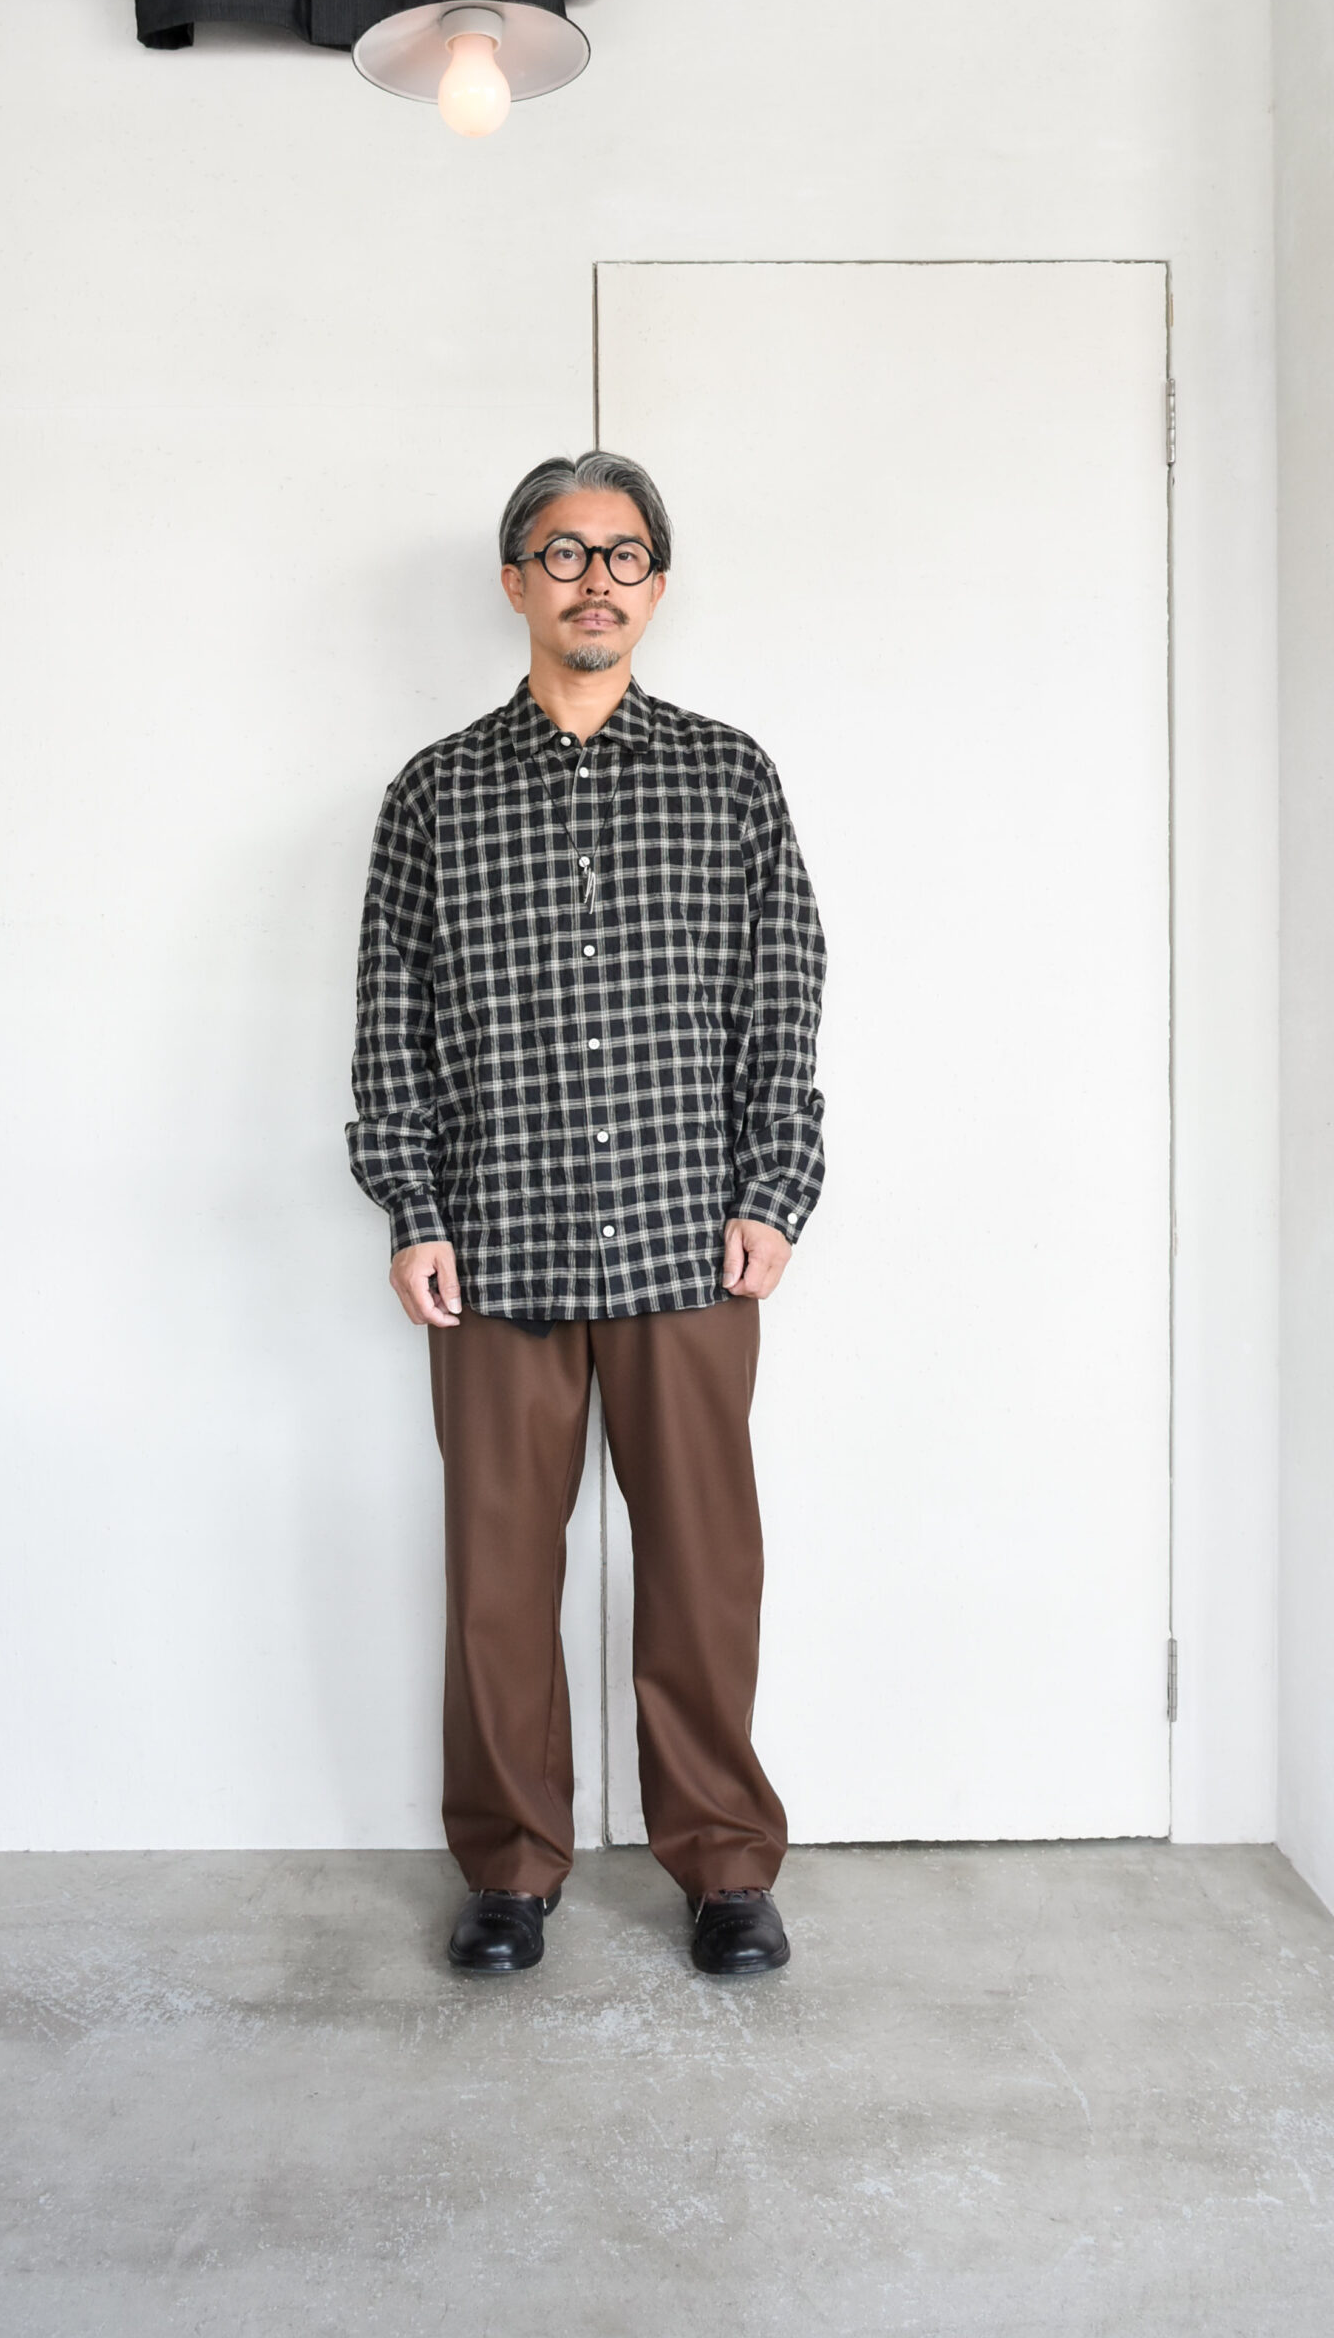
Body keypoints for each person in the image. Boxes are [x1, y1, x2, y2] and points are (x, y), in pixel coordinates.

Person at [346, 451, 826, 1977]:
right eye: (563, 553)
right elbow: (391, 1021)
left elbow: (782, 997)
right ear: (516, 582)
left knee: (703, 1575)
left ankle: (725, 1867)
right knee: (497, 1585)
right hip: (497, 1251)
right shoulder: (436, 794)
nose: (594, 580)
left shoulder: (729, 778)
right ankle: (510, 1869)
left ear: (657, 586)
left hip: (689, 1240)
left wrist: (775, 1190)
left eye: (622, 555)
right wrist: (414, 1207)